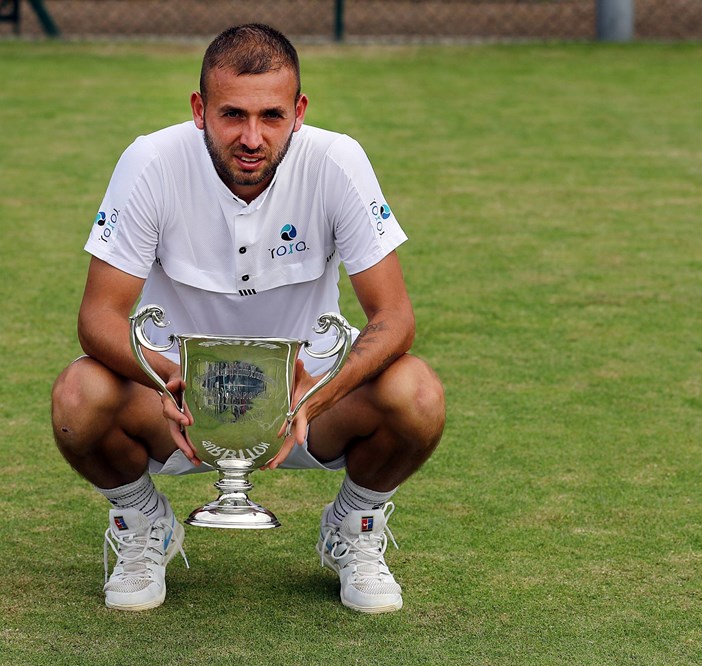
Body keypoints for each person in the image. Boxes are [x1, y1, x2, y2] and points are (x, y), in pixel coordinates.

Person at [52, 23, 445, 614]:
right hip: (178, 409)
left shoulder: (338, 161)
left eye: (272, 116)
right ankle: (143, 523)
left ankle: (354, 528)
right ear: (199, 109)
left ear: (299, 111)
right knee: (77, 396)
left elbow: (395, 317)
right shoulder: (151, 161)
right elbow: (98, 317)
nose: (252, 137)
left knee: (417, 393)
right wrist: (167, 377)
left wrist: (316, 395)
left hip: (305, 407)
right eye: (232, 114)